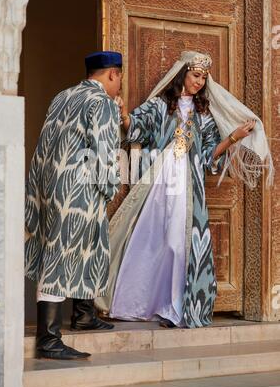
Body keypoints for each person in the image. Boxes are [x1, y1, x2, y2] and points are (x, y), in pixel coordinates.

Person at [95, 50, 274, 329]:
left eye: (203, 77)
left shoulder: (204, 116)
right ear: (182, 75)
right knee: (152, 242)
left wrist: (233, 138)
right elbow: (135, 130)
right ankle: (139, 303)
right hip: (158, 185)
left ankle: (176, 308)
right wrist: (123, 115)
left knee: (180, 245)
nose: (199, 82)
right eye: (195, 75)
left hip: (188, 188)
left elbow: (206, 157)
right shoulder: (158, 106)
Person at [25, 51, 123, 359]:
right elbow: (105, 150)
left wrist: (38, 187)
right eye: (119, 79)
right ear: (112, 75)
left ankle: (83, 316)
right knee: (60, 253)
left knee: (89, 248)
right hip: (79, 188)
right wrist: (109, 188)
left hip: (50, 182)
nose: (119, 86)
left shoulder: (62, 96)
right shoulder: (103, 103)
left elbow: (44, 141)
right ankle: (48, 339)